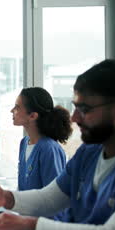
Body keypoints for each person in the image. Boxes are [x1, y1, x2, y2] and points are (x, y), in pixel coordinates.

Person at [0, 59, 115, 230]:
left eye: (84, 109)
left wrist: (29, 225)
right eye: (75, 107)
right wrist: (6, 198)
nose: (75, 118)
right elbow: (51, 198)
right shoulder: (88, 153)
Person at [11, 87, 72, 220]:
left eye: (17, 107)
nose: (12, 111)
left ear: (33, 116)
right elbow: (23, 191)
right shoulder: (24, 143)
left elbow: (55, 204)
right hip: (24, 224)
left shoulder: (49, 149)